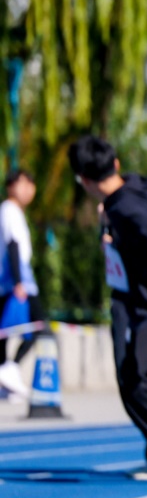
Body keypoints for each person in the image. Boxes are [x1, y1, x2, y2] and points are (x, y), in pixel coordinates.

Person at [69, 135, 147, 479]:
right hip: (131, 299)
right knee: (139, 373)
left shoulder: (128, 208)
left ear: (84, 180)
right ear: (116, 165)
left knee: (133, 373)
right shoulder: (128, 192)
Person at [0, 170, 44, 399]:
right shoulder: (10, 210)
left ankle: (7, 378)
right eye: (23, 184)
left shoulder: (12, 211)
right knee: (38, 324)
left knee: (6, 331)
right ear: (11, 186)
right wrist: (19, 282)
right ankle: (10, 368)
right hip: (17, 279)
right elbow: (13, 244)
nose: (29, 190)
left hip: (11, 279)